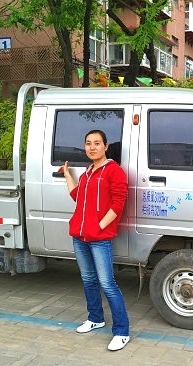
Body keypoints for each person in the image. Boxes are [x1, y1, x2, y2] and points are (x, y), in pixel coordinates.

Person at [59, 129, 130, 351]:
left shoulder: (114, 171)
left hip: (99, 238)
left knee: (107, 283)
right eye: (88, 143)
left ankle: (122, 331)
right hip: (80, 237)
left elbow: (118, 204)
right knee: (88, 279)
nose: (92, 147)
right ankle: (95, 318)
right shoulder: (87, 173)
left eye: (97, 143)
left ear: (105, 146)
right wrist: (68, 176)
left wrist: (99, 226)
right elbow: (77, 197)